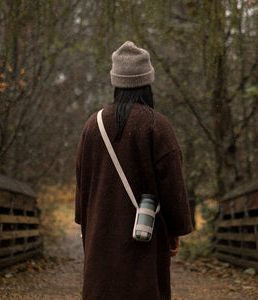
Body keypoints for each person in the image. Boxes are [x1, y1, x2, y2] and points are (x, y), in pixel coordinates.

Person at [75, 41, 193, 300]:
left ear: (115, 82)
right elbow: (172, 184)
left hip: (101, 234)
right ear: (147, 82)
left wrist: (85, 221)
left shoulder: (92, 126)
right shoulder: (157, 125)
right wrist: (176, 229)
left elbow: (83, 181)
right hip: (145, 235)